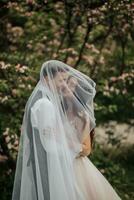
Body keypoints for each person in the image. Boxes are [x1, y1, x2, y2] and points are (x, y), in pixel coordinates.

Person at [12, 60, 122, 200]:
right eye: (63, 81)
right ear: (48, 79)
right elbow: (47, 141)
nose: (64, 85)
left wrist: (59, 137)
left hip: (73, 167)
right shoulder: (52, 106)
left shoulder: (79, 115)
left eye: (69, 83)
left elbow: (86, 149)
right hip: (57, 165)